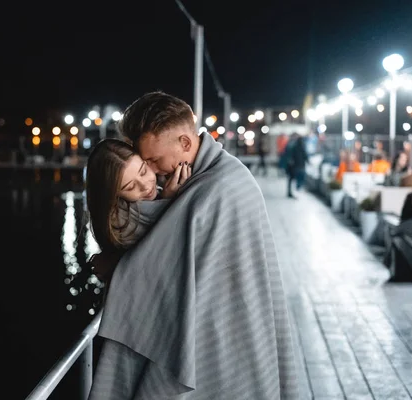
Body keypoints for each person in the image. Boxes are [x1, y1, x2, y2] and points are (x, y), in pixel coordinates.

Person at [88, 91, 299, 399]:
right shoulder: (219, 176)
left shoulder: (215, 189)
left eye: (153, 162)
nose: (154, 174)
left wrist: (116, 267)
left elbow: (155, 267)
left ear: (185, 144)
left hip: (224, 336)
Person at [85, 138, 191, 283]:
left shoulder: (163, 192)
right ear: (113, 195)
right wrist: (168, 204)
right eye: (129, 187)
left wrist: (166, 199)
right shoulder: (120, 228)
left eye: (143, 172)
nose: (145, 186)